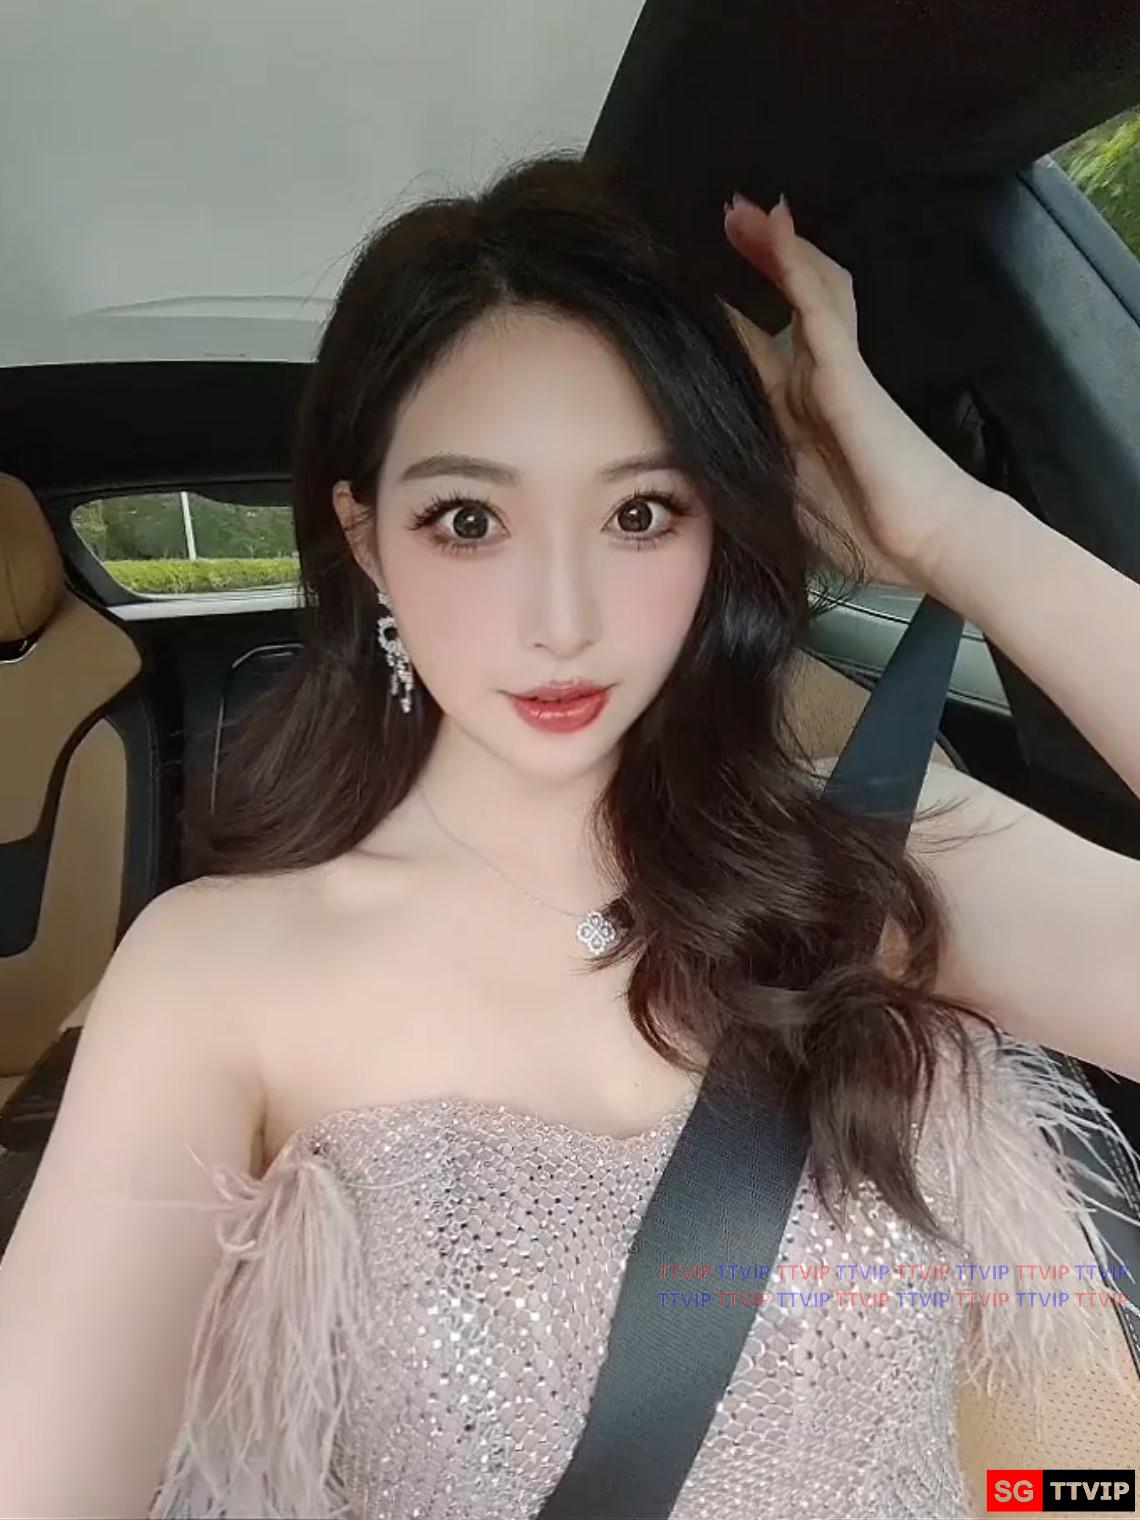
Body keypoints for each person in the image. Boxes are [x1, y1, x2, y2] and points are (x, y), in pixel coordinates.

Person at [1, 150, 1139, 1520]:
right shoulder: (216, 974)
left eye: (640, 513)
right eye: (469, 519)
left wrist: (948, 527)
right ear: (367, 540)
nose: (562, 617)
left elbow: (1043, 1482)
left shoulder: (881, 848)